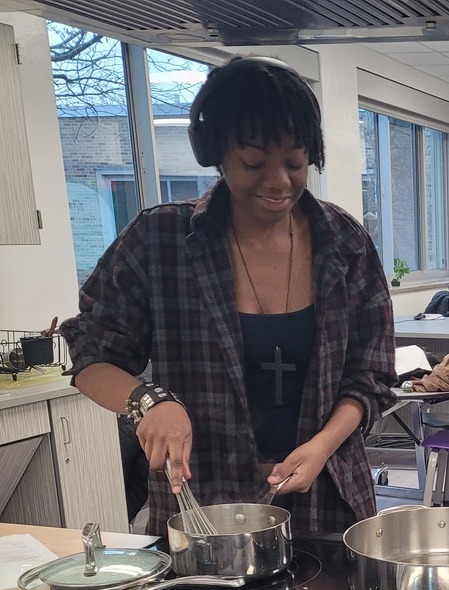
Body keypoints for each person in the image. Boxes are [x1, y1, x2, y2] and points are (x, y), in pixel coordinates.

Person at [61, 56, 395, 536]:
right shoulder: (160, 240)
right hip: (203, 513)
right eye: (254, 163)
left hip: (330, 502)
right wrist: (150, 402)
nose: (279, 182)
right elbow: (91, 357)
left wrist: (323, 445)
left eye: (295, 162)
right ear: (216, 153)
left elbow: (371, 376)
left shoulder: (344, 242)